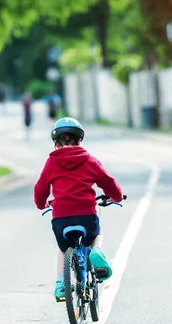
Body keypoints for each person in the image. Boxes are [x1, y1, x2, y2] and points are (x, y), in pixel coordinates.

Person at [34, 117, 124, 301]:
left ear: (56, 144)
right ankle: (96, 252)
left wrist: (41, 203)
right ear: (80, 140)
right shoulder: (89, 160)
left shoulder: (51, 163)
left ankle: (60, 284)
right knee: (96, 236)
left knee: (63, 248)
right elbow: (108, 182)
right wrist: (116, 196)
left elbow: (41, 188)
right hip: (86, 215)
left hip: (61, 218)